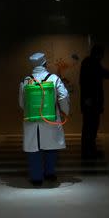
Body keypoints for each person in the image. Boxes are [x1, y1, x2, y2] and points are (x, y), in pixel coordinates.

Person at [18, 52, 70, 186]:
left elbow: (22, 103)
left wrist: (33, 111)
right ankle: (49, 173)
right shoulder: (53, 78)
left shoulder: (26, 80)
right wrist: (65, 111)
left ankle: (36, 178)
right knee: (51, 146)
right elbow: (63, 97)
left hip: (32, 120)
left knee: (33, 148)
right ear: (45, 63)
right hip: (50, 119)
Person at [79, 44, 109, 160]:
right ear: (98, 54)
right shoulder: (91, 63)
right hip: (91, 102)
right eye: (102, 54)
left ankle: (89, 150)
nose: (102, 56)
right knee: (91, 127)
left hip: (89, 102)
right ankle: (88, 152)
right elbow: (101, 74)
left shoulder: (88, 62)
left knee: (89, 127)